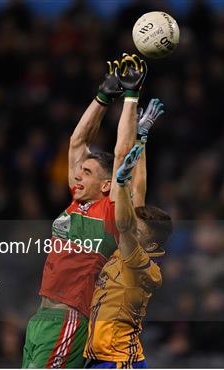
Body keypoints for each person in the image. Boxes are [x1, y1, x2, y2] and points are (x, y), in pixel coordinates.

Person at [22, 54, 148, 368]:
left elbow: (122, 155)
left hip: (70, 320)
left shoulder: (111, 210)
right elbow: (78, 140)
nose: (78, 174)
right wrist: (102, 97)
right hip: (40, 320)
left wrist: (131, 98)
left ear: (107, 184)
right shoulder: (76, 203)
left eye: (88, 172)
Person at [84, 99, 173, 368]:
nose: (134, 223)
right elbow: (140, 190)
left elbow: (124, 223)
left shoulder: (142, 264)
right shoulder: (133, 246)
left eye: (140, 226)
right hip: (100, 358)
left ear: (151, 240)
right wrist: (141, 137)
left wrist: (121, 183)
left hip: (121, 362)